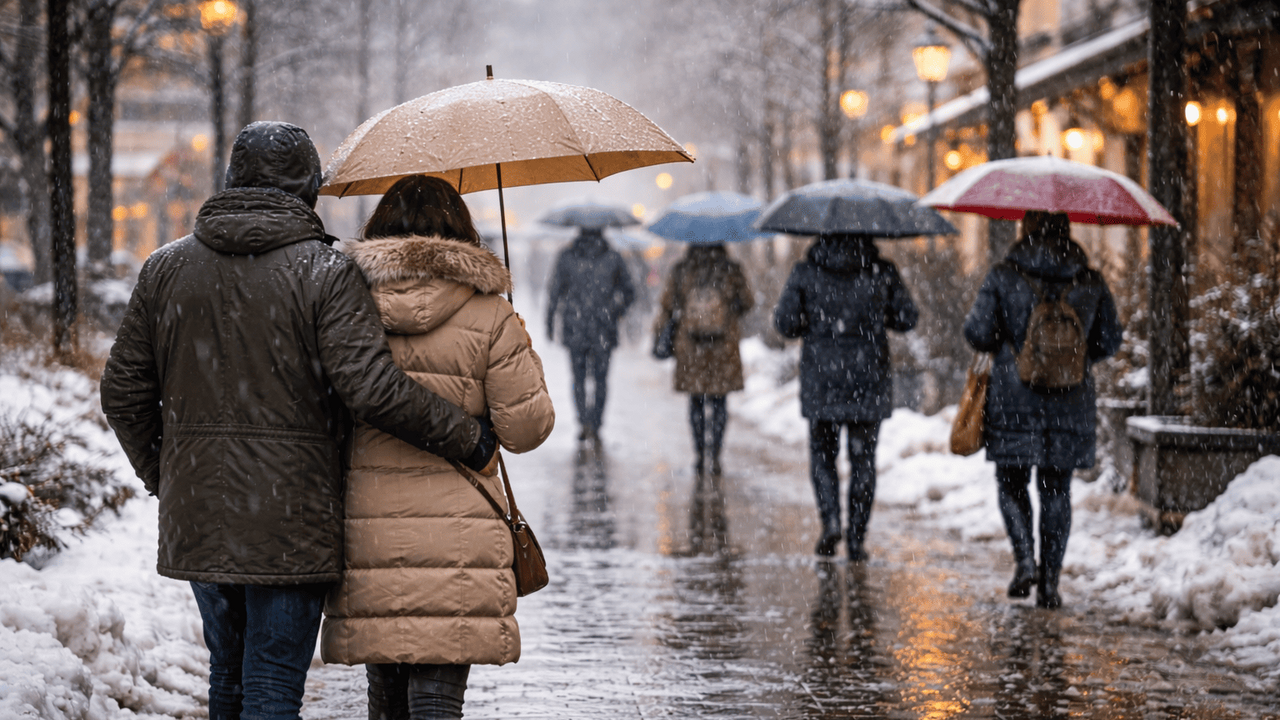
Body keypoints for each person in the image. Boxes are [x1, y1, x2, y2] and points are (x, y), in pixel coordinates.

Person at [99, 122, 498, 720]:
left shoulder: (166, 267)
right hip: (293, 513)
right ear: (309, 189)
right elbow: (371, 388)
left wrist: (169, 472)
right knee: (274, 679)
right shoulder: (325, 272)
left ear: (232, 180)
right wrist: (467, 437)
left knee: (227, 672)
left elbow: (123, 391)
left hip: (201, 506)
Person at [319, 175, 554, 719]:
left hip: (367, 522)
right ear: (461, 229)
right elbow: (526, 431)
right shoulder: (489, 313)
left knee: (387, 695)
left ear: (378, 229)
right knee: (437, 700)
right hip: (460, 534)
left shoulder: (343, 307)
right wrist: (523, 347)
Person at [963, 211, 1122, 608]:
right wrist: (1068, 357)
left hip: (1013, 398)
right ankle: (1050, 583)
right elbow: (1108, 341)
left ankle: (1024, 561)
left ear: (1024, 231)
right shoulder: (1090, 280)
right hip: (1071, 399)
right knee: (1057, 489)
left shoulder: (1004, 276)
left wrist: (1013, 341)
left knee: (1011, 481)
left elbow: (978, 333)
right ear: (1068, 232)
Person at [773, 234, 918, 561]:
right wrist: (879, 313)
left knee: (823, 456)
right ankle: (856, 539)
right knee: (863, 461)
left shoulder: (806, 272)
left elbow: (786, 324)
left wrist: (813, 318)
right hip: (868, 377)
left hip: (822, 378)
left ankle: (830, 522)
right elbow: (907, 318)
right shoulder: (881, 271)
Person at [654, 243, 753, 477]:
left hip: (690, 345)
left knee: (696, 401)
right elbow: (747, 302)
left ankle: (700, 455)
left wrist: (663, 330)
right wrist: (728, 311)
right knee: (719, 402)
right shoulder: (731, 269)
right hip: (723, 345)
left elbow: (667, 304)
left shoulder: (681, 269)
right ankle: (716, 455)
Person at [545, 226, 636, 440]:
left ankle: (583, 420)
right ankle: (596, 423)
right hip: (604, 327)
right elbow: (630, 291)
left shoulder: (566, 256)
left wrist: (550, 323)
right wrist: (615, 310)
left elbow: (554, 292)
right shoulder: (613, 257)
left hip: (574, 326)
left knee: (577, 376)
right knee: (601, 379)